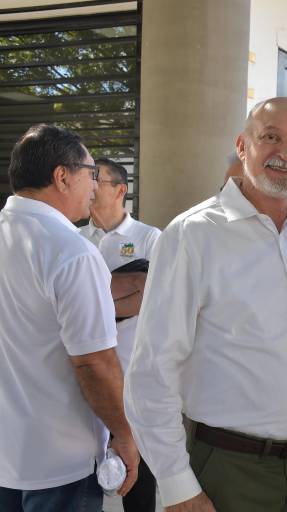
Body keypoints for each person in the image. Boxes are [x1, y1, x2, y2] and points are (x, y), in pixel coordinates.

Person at [125, 97, 287, 512]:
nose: (286, 154)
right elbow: (152, 371)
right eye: (271, 137)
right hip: (226, 468)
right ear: (243, 146)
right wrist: (177, 486)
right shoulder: (192, 236)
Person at [0, 125, 139, 511]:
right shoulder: (71, 252)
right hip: (60, 465)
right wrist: (125, 434)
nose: (95, 186)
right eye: (91, 174)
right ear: (62, 176)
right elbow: (94, 363)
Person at [79, 157, 161, 512]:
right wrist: (124, 290)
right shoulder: (76, 238)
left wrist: (91, 301)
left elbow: (154, 299)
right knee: (85, 478)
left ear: (121, 190)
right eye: (89, 177)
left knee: (137, 483)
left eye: (99, 178)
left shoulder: (149, 238)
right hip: (84, 377)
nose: (92, 185)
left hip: (133, 380)